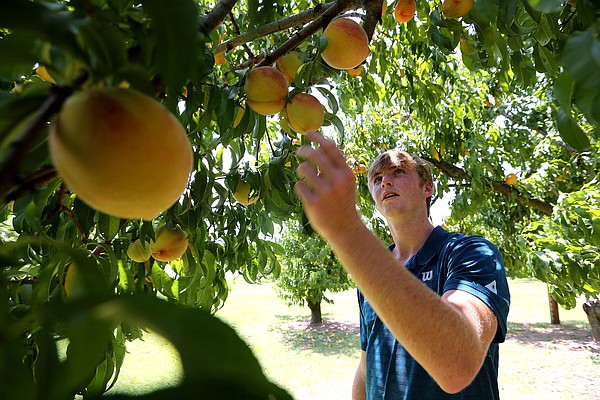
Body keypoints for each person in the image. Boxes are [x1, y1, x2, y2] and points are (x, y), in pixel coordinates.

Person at [294, 131, 510, 399]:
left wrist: (346, 230)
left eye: (397, 172)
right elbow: (366, 364)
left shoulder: (471, 253)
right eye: (376, 179)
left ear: (427, 188)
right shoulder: (371, 271)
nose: (385, 182)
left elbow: (458, 364)